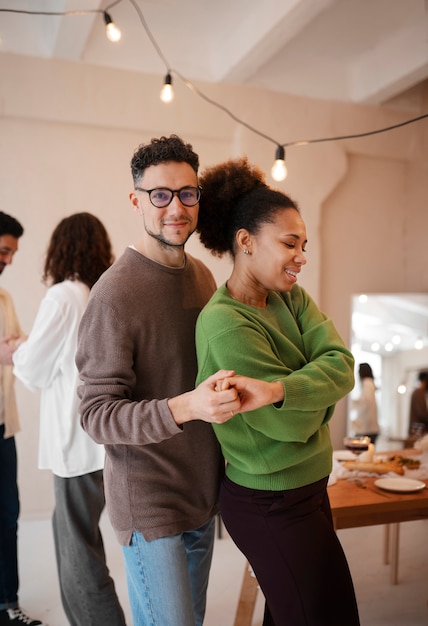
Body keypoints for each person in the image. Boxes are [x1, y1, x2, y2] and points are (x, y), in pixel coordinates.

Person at [75, 135, 250, 626]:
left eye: (187, 193)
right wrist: (187, 407)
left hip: (201, 493)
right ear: (136, 201)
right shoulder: (113, 295)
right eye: (160, 195)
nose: (176, 207)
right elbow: (95, 414)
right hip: (150, 503)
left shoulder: (202, 277)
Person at [194, 157, 360, 626]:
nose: (302, 256)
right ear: (245, 241)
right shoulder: (225, 322)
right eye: (290, 243)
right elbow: (292, 424)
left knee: (296, 612)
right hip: (270, 502)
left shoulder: (291, 297)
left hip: (309, 490)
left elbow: (344, 365)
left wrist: (279, 388)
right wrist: (310, 395)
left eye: (304, 244)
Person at [12, 213, 126, 626]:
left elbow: (34, 370)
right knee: (76, 538)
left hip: (74, 443)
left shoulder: (62, 295)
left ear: (60, 248)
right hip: (101, 439)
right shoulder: (98, 292)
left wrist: (14, 352)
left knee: (78, 550)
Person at [0, 212, 44, 626]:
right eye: (3, 251)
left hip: (3, 428)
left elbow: (20, 347)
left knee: (8, 514)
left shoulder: (5, 299)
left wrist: (17, 348)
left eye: (11, 253)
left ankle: (7, 604)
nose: (9, 260)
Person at [350, 362, 380, 444]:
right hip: (370, 428)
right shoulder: (369, 384)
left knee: (363, 454)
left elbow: (365, 403)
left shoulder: (367, 384)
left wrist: (350, 403)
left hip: (366, 428)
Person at [408, 370, 428, 436]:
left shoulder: (418, 392)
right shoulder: (418, 393)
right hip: (418, 431)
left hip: (417, 430)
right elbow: (421, 413)